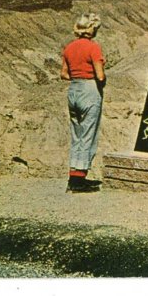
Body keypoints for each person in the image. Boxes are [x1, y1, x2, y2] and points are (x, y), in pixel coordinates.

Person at [60, 13, 106, 193]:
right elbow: (100, 75)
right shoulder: (93, 48)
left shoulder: (69, 48)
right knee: (88, 134)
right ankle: (79, 180)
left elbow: (64, 74)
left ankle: (73, 177)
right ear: (92, 29)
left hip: (74, 90)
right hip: (89, 90)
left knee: (76, 134)